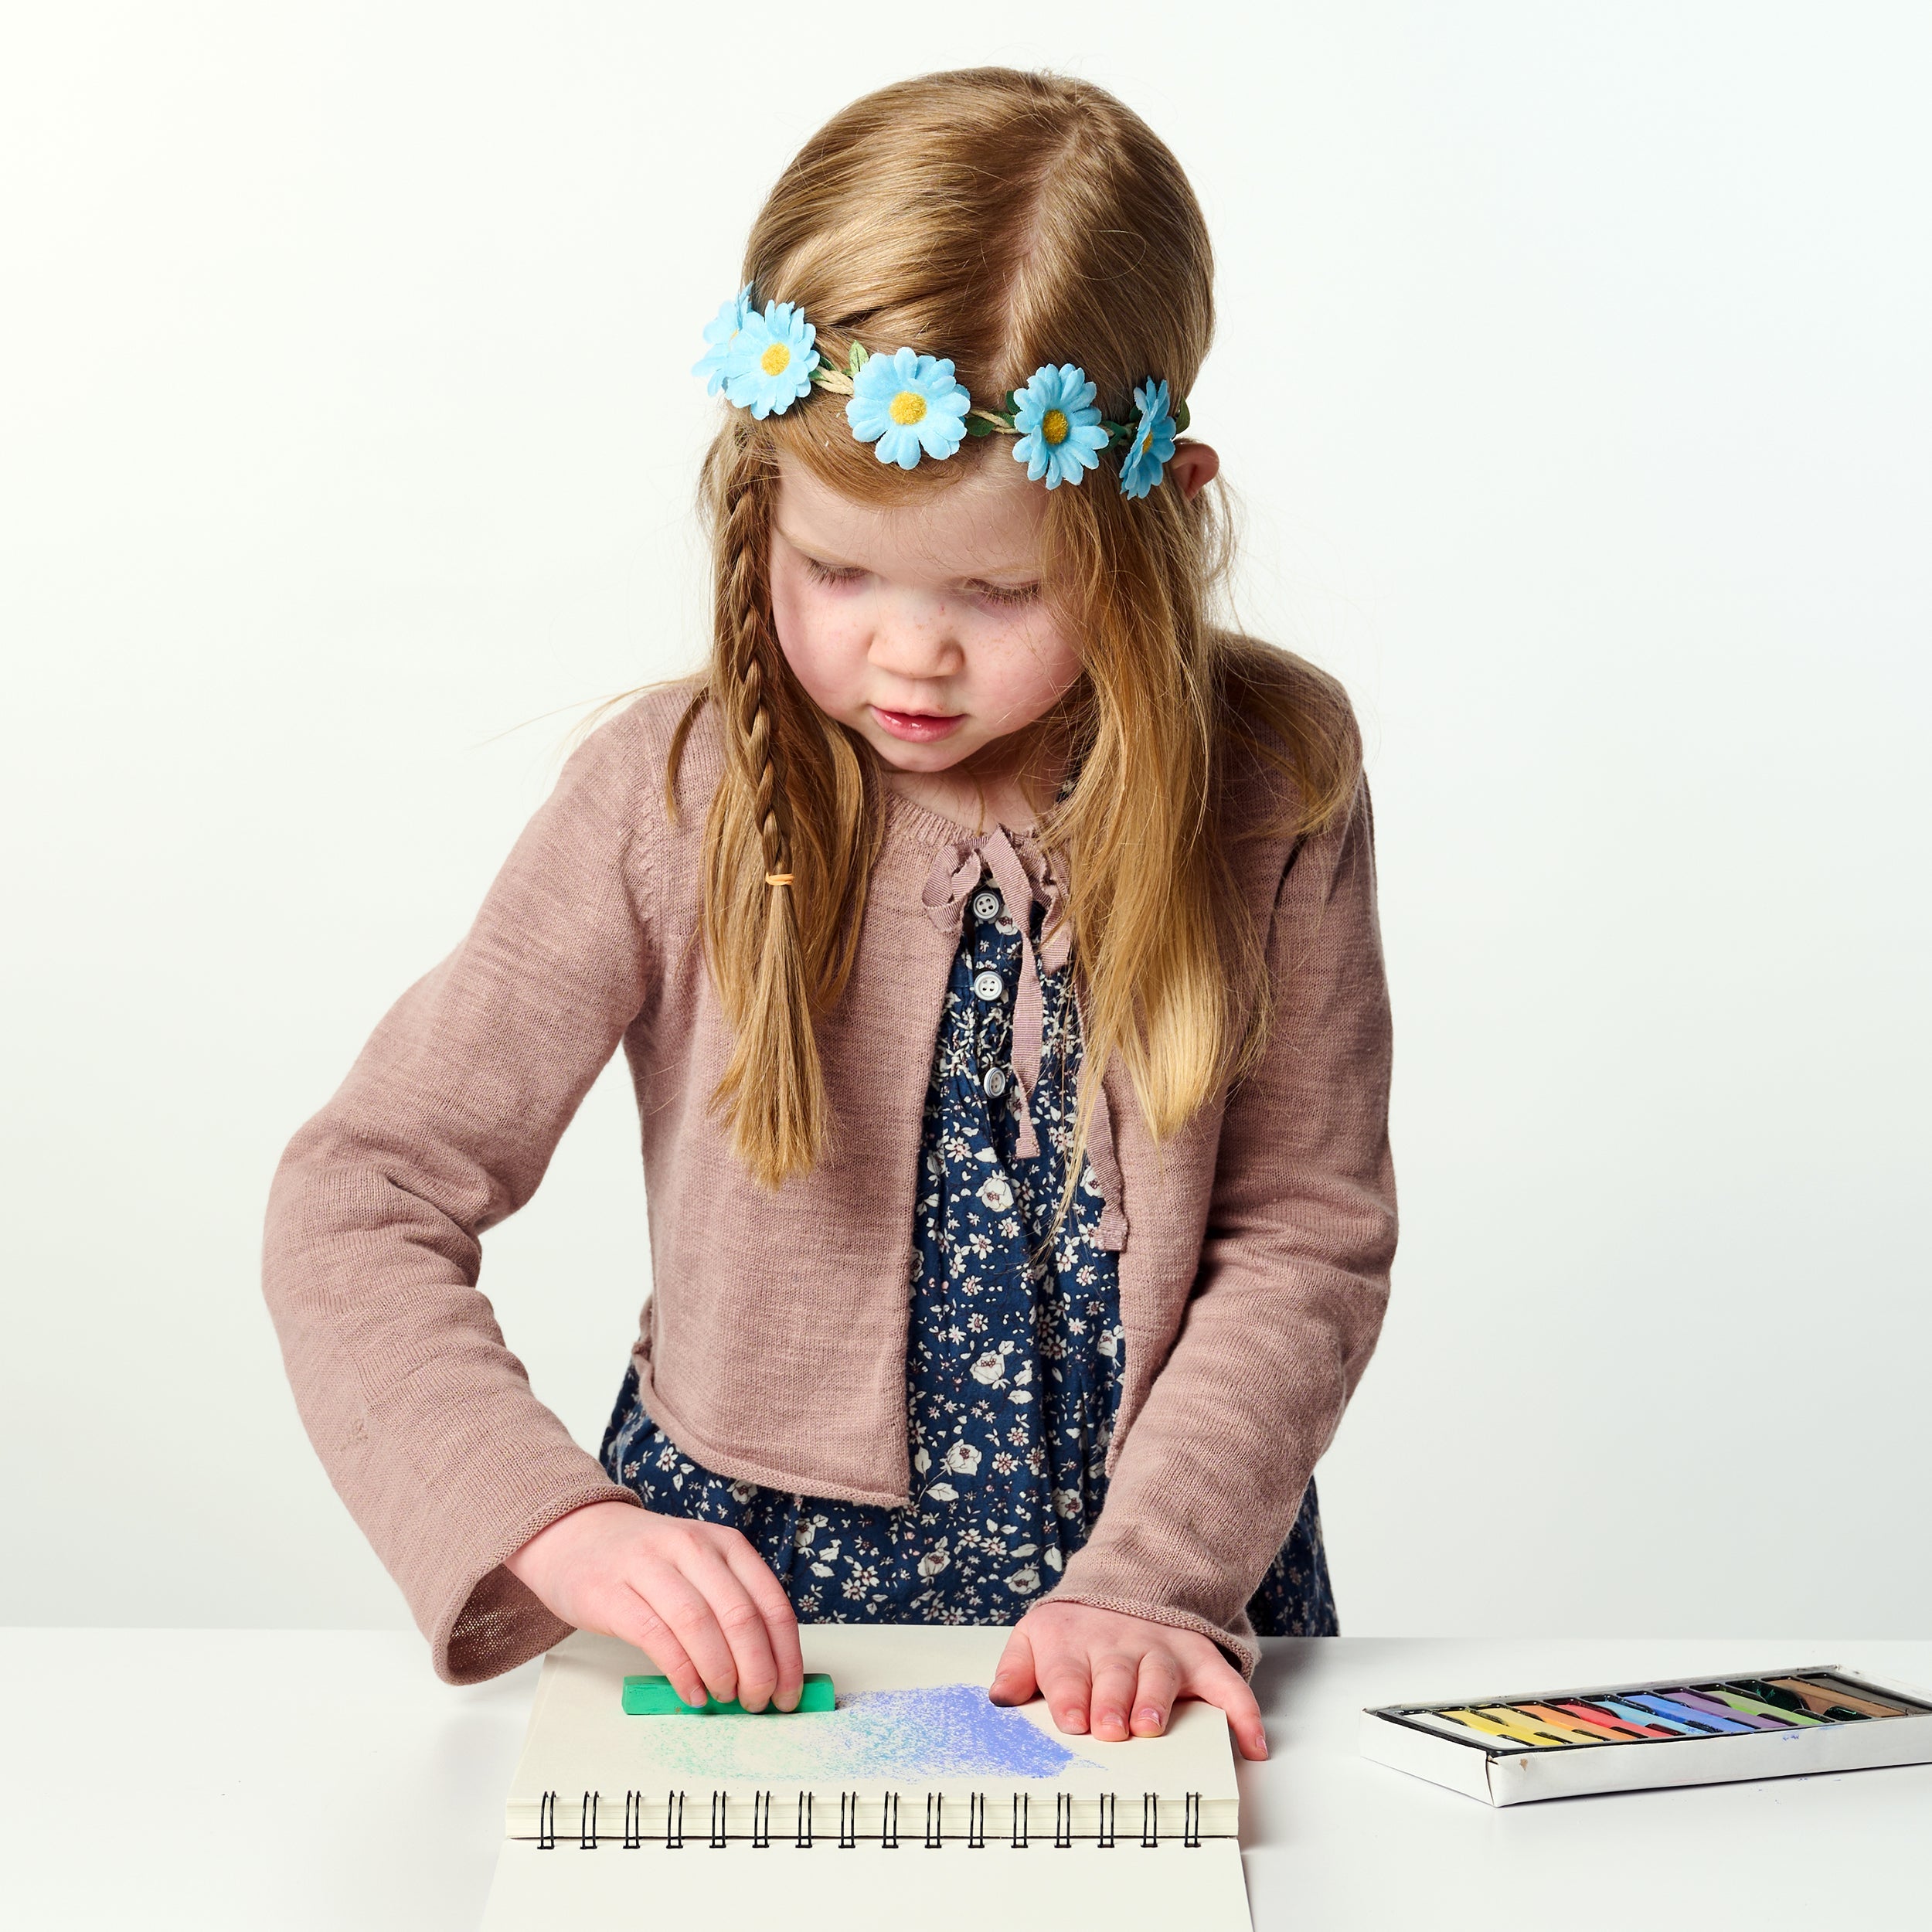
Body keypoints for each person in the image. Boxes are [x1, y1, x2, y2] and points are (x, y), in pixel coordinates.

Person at [263, 66, 1395, 1766]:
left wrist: (1152, 1578)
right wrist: (546, 1519)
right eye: (840, 571)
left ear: (1154, 505)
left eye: (999, 590)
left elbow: (1305, 1230)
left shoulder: (1273, 781)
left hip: (1138, 1629)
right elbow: (357, 1193)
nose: (908, 654)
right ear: (759, 503)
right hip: (749, 1641)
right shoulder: (668, 794)